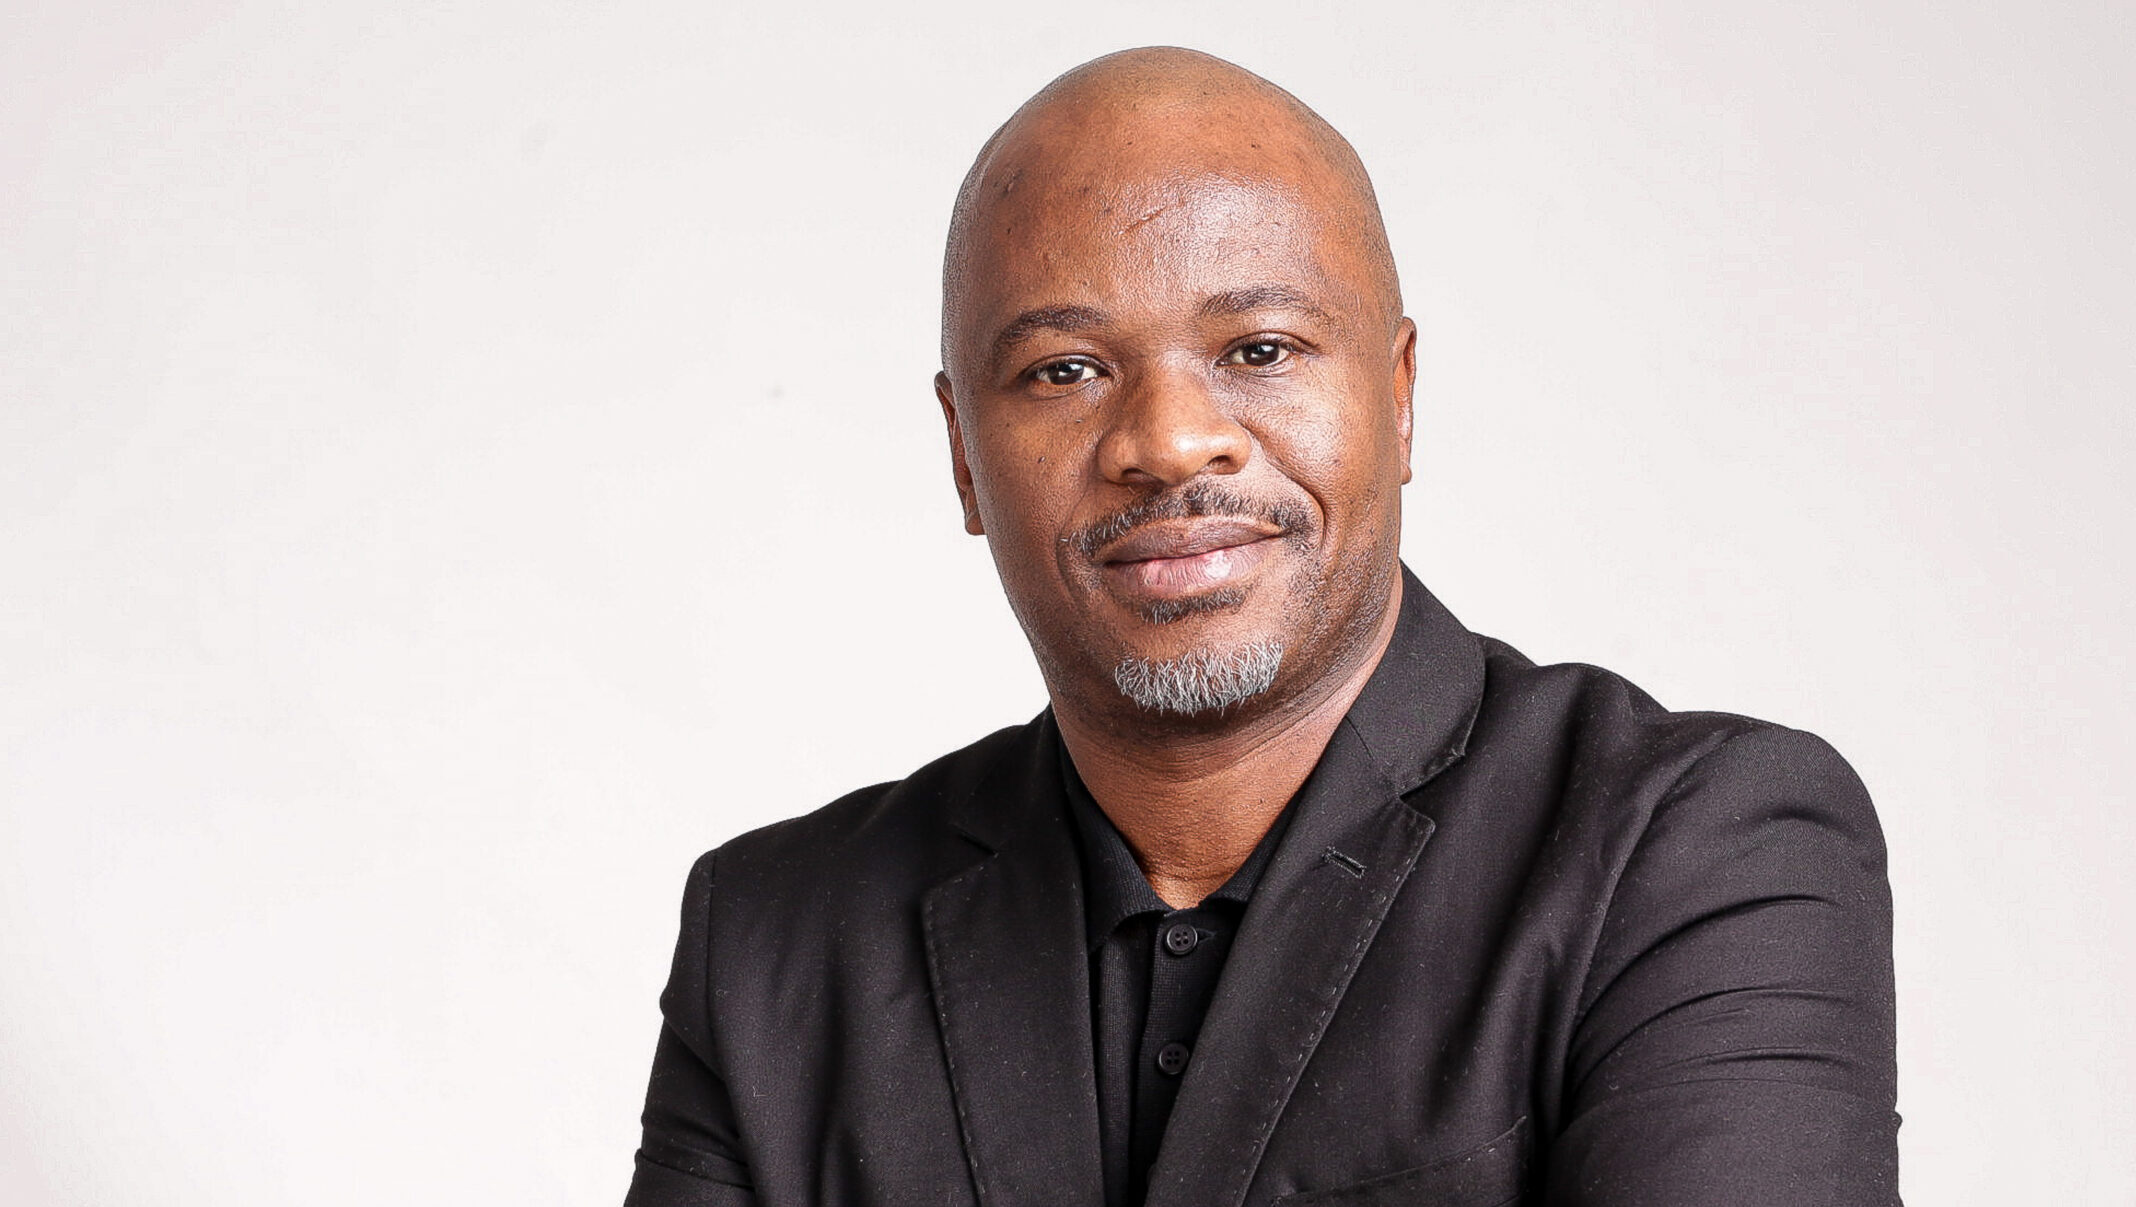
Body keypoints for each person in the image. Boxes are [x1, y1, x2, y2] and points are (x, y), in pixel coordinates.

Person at [623, 46, 1898, 1207]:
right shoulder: (778, 943)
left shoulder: (1693, 852)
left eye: (1261, 348)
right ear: (964, 455)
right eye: (1065, 370)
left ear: (1397, 398)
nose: (1170, 440)